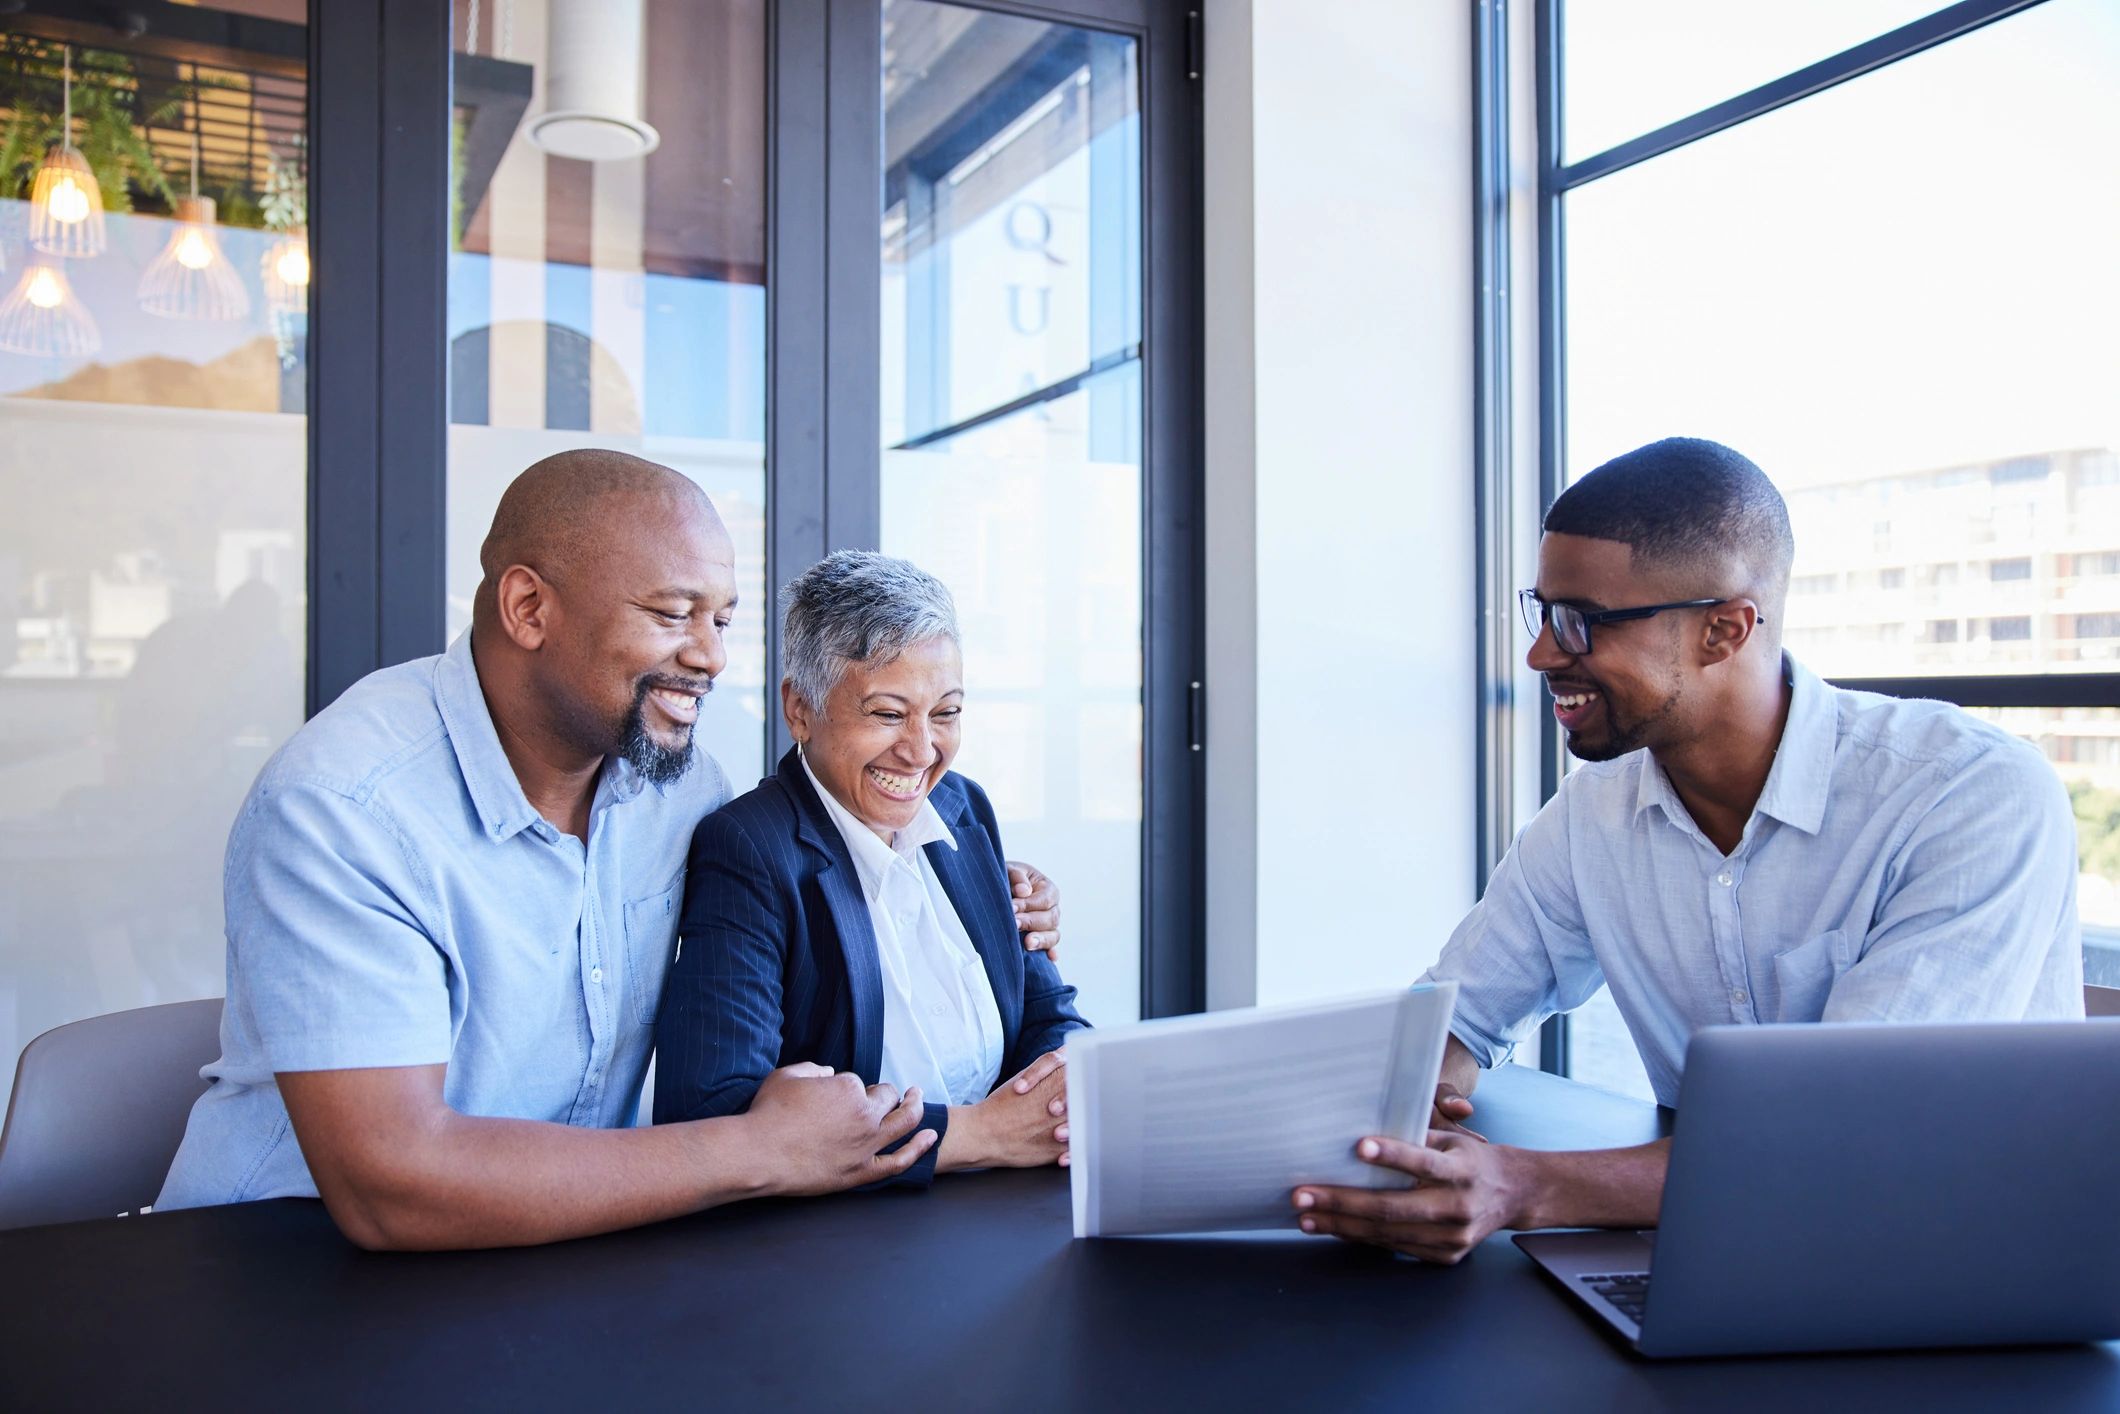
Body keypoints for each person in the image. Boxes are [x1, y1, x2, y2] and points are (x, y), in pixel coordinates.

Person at [155, 451, 1065, 1249]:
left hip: (565, 1248)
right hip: (288, 1261)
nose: (709, 657)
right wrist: (750, 1149)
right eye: (674, 614)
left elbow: (810, 898)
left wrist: (975, 894)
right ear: (527, 607)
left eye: (722, 620)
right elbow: (392, 1184)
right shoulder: (343, 808)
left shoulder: (681, 787)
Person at [1292, 437, 2084, 1263]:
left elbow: (1856, 1135)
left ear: (1724, 630)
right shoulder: (1594, 816)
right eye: (1543, 613)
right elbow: (1459, 1016)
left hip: (1965, 1263)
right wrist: (1419, 1107)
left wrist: (1523, 1184)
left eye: (1581, 624)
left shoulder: (1969, 793)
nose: (1540, 655)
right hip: (1726, 1243)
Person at [655, 552, 1086, 1184]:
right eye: (887, 713)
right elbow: (716, 1112)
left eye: (946, 712)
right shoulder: (748, 848)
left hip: (1008, 1210)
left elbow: (1048, 1015)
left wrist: (1069, 1091)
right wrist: (980, 1136)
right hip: (850, 1247)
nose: (921, 750)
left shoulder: (963, 809)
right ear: (800, 709)